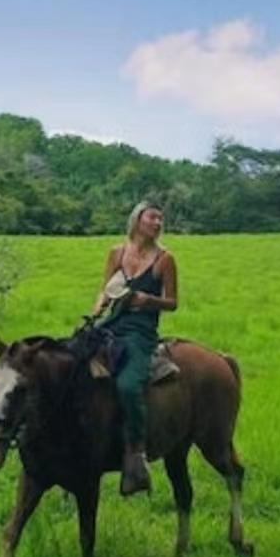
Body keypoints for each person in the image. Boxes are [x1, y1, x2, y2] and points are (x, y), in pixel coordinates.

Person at [92, 200, 179, 495]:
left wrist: (147, 301)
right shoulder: (116, 252)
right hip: (110, 324)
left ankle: (136, 454)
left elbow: (173, 303)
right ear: (137, 220)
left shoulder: (165, 259)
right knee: (72, 362)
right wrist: (96, 310)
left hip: (140, 332)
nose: (157, 223)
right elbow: (105, 290)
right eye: (152, 217)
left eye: (160, 219)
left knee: (129, 385)